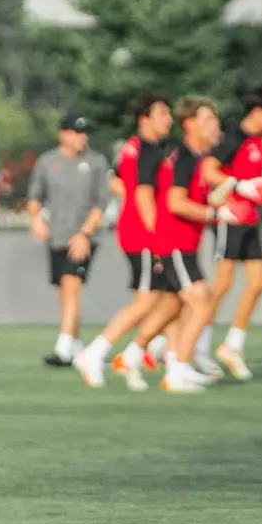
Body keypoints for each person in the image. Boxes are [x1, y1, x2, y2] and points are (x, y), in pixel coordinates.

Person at [148, 96, 247, 394]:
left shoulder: (197, 158)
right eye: (207, 120)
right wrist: (216, 213)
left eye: (215, 119)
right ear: (189, 124)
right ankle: (176, 370)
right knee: (202, 302)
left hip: (184, 244)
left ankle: (174, 363)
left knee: (185, 307)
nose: (214, 125)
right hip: (174, 242)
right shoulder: (186, 157)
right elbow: (175, 202)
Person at [74, 95, 172, 391]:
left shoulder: (135, 147)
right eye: (163, 113)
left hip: (134, 231)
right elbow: (142, 195)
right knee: (147, 301)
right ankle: (95, 353)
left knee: (167, 297)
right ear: (145, 118)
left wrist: (128, 197)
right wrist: (158, 238)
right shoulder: (148, 152)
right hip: (144, 235)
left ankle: (155, 350)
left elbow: (115, 180)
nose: (169, 119)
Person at [201, 86, 262, 381]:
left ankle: (232, 345)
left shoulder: (259, 143)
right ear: (258, 111)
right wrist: (239, 186)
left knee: (258, 283)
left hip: (250, 219)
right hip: (229, 218)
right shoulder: (233, 137)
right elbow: (209, 171)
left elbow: (251, 175)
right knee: (222, 285)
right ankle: (197, 344)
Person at [27, 114, 109, 367]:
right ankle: (74, 344)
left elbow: (101, 202)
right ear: (63, 134)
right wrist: (36, 219)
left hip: (83, 236)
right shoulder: (48, 161)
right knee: (64, 291)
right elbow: (34, 197)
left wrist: (85, 233)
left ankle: (63, 348)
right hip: (57, 236)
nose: (81, 138)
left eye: (84, 133)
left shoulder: (95, 162)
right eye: (76, 132)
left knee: (71, 284)